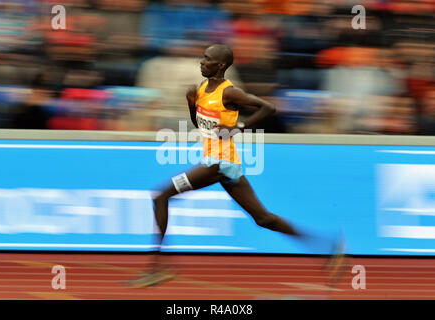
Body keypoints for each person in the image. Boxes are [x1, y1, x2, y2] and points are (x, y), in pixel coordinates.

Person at [127, 44, 345, 288]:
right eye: (203, 57)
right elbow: (202, 126)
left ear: (220, 66)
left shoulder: (229, 93)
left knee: (161, 196)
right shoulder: (201, 89)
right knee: (263, 219)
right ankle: (328, 247)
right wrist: (191, 104)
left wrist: (238, 127)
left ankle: (159, 266)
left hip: (219, 164)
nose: (201, 62)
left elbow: (269, 108)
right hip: (222, 164)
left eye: (207, 59)